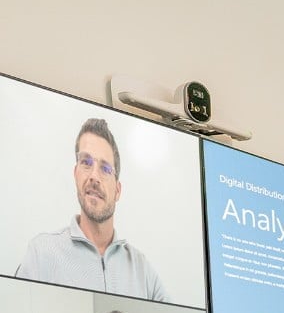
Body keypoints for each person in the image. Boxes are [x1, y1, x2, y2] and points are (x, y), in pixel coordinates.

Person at [15, 117, 171, 301]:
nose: (94, 176)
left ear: (118, 191)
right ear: (76, 174)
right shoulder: (41, 254)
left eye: (105, 169)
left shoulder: (142, 271)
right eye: (86, 163)